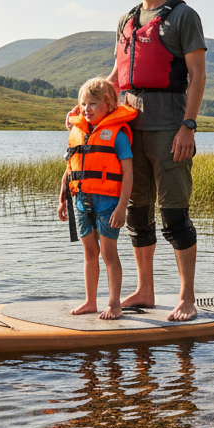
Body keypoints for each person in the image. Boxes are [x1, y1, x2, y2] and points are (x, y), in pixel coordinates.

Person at [105, 0, 207, 322]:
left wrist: (188, 127)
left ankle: (186, 298)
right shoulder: (127, 20)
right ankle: (145, 290)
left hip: (169, 128)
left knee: (175, 215)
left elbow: (197, 77)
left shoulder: (183, 16)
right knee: (137, 211)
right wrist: (86, 108)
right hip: (130, 130)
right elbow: (118, 75)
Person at [57, 78, 136, 320]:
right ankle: (90, 302)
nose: (87, 108)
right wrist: (63, 198)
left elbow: (128, 173)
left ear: (110, 105)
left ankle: (114, 303)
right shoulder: (78, 132)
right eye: (83, 104)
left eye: (93, 103)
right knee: (89, 252)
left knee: (108, 254)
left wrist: (122, 207)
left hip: (108, 203)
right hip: (80, 200)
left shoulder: (117, 135)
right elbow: (71, 168)